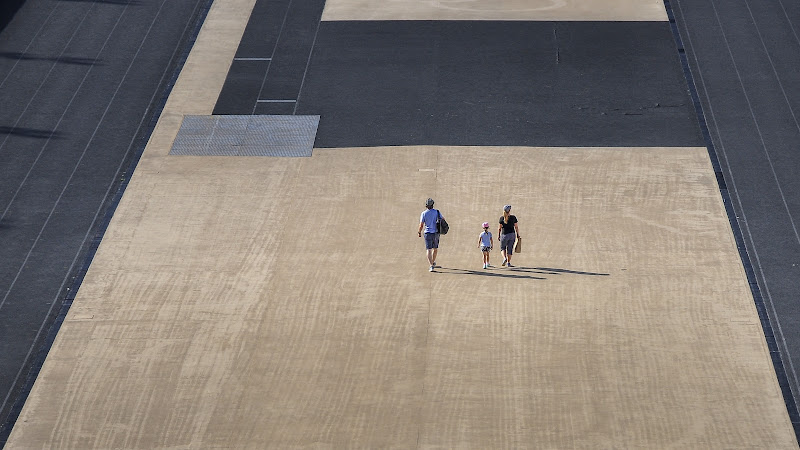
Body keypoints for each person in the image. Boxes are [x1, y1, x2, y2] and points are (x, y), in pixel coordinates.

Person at [418, 198, 444, 272]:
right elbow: (443, 219)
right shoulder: (437, 212)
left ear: (426, 205)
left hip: (427, 233)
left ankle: (431, 265)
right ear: (433, 205)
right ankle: (432, 262)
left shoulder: (424, 213)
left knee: (428, 249)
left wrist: (419, 232)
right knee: (435, 249)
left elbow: (421, 225)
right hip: (436, 233)